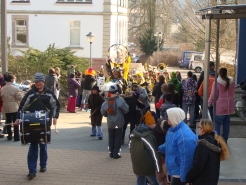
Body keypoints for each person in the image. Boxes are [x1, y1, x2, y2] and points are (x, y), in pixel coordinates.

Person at [14, 72, 60, 179]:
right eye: (36, 82)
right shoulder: (30, 93)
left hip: (44, 122)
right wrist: (18, 117)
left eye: (39, 81)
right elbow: (22, 107)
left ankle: (43, 165)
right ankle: (32, 171)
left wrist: (55, 117)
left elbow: (55, 105)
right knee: (33, 146)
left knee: (43, 145)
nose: (38, 83)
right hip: (32, 122)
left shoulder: (49, 93)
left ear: (43, 82)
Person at [158, 108, 197, 185]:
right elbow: (169, 144)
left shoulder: (184, 136)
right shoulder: (173, 130)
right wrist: (160, 149)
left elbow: (187, 158)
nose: (167, 119)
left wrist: (183, 177)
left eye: (169, 116)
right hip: (174, 169)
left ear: (174, 118)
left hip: (179, 173)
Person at [186, 119, 229, 185]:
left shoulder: (203, 145)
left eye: (199, 127)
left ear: (202, 129)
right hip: (212, 180)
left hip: (202, 181)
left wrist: (188, 177)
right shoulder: (215, 141)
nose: (198, 129)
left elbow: (198, 167)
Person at [129, 113, 163, 185]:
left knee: (140, 181)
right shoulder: (148, 136)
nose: (156, 124)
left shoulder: (134, 132)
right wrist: (159, 169)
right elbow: (154, 153)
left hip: (136, 163)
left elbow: (130, 147)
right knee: (154, 182)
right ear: (150, 122)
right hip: (147, 166)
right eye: (155, 122)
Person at [101, 84, 129, 159]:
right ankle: (116, 153)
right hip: (119, 122)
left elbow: (102, 111)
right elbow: (126, 110)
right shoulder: (120, 100)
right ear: (117, 91)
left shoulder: (106, 100)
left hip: (110, 122)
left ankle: (111, 152)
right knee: (118, 137)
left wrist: (106, 115)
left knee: (111, 137)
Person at [208, 68, 235, 143]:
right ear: (227, 73)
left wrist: (209, 103)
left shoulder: (217, 82)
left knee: (217, 123)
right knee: (227, 124)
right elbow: (233, 93)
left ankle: (218, 141)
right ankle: (225, 141)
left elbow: (213, 95)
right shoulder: (231, 82)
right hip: (229, 107)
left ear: (219, 73)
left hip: (220, 107)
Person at [0, 72, 23, 141]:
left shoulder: (2, 89)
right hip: (14, 106)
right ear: (11, 80)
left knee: (8, 121)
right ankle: (16, 136)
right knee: (15, 122)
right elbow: (19, 97)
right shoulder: (15, 88)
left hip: (6, 106)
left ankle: (9, 135)